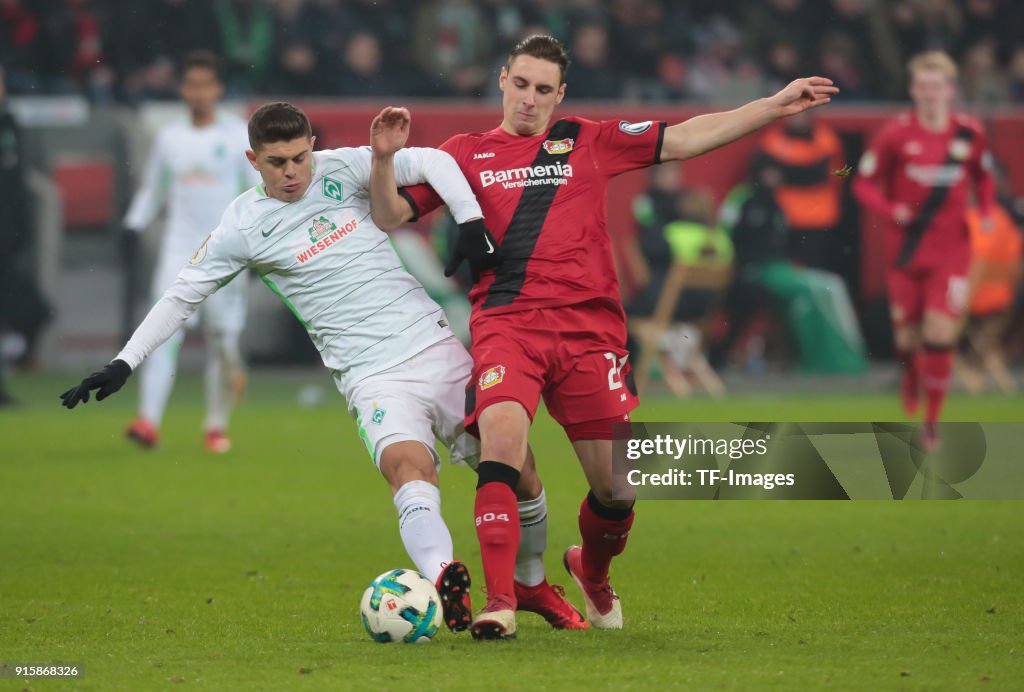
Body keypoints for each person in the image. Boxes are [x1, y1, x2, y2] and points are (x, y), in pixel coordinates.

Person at [392, 34, 838, 639]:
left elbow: (683, 137)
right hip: (509, 326)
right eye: (520, 84)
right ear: (502, 79)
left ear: (561, 94)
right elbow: (393, 214)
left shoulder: (587, 139)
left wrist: (771, 105)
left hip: (588, 333)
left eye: (543, 90)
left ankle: (590, 570)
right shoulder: (463, 153)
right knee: (501, 441)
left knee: (616, 488)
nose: (529, 99)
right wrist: (376, 159)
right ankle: (499, 602)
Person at [60, 102, 501, 634]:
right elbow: (181, 296)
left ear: (311, 146)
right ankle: (442, 575)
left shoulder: (344, 167)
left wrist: (470, 220)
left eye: (299, 157)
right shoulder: (243, 226)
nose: (292, 172)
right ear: (253, 159)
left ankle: (530, 590)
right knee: (408, 469)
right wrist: (125, 361)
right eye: (277, 163)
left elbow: (433, 160)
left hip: (434, 347)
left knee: (511, 472)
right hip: (370, 376)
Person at [853, 50, 995, 450]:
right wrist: (890, 208)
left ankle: (932, 422)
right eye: (924, 86)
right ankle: (911, 375)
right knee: (909, 339)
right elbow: (861, 182)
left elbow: (983, 178)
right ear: (914, 90)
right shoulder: (896, 133)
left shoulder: (968, 133)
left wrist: (984, 212)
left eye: (938, 86)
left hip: (952, 252)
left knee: (939, 332)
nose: (931, 94)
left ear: (950, 90)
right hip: (905, 253)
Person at [121, 51, 259, 453]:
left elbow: (253, 194)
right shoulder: (169, 138)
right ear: (182, 89)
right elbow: (153, 189)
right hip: (178, 250)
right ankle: (148, 421)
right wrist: (133, 224)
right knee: (163, 333)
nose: (199, 92)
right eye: (192, 84)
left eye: (206, 84)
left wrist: (253, 246)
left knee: (221, 341)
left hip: (224, 252)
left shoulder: (236, 135)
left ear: (217, 89)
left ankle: (215, 425)